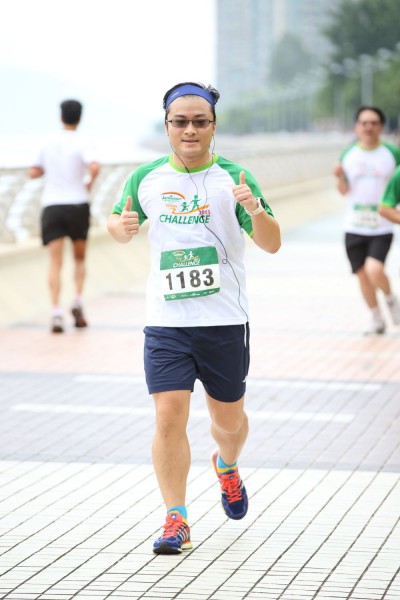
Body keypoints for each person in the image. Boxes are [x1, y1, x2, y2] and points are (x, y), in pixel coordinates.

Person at [107, 82, 281, 554]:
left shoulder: (235, 177)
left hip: (224, 321)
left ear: (213, 126)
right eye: (180, 121)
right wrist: (120, 227)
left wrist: (254, 209)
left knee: (229, 422)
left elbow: (271, 242)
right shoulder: (145, 177)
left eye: (199, 122)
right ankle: (176, 518)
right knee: (168, 416)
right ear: (166, 125)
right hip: (167, 321)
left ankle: (226, 464)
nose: (189, 130)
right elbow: (117, 222)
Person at [28, 99, 100, 333]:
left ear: (61, 116)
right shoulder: (83, 141)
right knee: (79, 258)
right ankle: (77, 300)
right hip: (77, 204)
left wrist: (44, 170)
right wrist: (89, 183)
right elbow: (95, 167)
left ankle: (56, 312)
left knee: (55, 262)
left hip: (52, 205)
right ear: (79, 118)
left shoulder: (45, 141)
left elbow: (33, 171)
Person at [333, 106, 400, 335]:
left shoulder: (392, 153)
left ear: (381, 126)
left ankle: (390, 299)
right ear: (356, 127)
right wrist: (339, 177)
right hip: (354, 225)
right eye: (364, 123)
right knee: (362, 275)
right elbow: (344, 190)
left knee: (374, 270)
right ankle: (376, 318)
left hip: (382, 225)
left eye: (373, 123)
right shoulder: (348, 154)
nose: (368, 127)